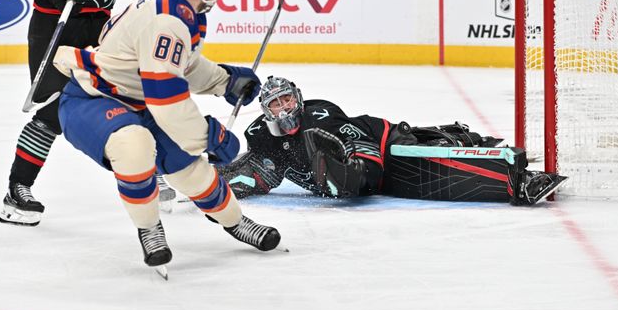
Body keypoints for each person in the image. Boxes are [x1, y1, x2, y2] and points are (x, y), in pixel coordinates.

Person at [52, 0, 280, 272]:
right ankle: (149, 227)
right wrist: (209, 138)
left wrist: (224, 81)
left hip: (137, 100)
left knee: (188, 169)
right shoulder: (169, 21)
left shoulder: (180, 8)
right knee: (134, 145)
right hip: (92, 99)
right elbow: (167, 101)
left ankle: (235, 221)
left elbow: (178, 66)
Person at [0, 0, 162, 227]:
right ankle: (17, 192)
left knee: (132, 96)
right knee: (53, 112)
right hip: (55, 27)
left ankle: (156, 173)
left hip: (99, 29)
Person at [220, 77, 565, 205]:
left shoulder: (320, 115)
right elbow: (259, 173)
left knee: (430, 163)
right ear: (266, 110)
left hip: (381, 145)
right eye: (276, 104)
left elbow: (365, 158)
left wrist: (353, 176)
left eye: (287, 100)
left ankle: (520, 179)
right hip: (371, 177)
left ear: (298, 98)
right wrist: (210, 179)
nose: (284, 108)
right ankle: (464, 135)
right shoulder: (261, 135)